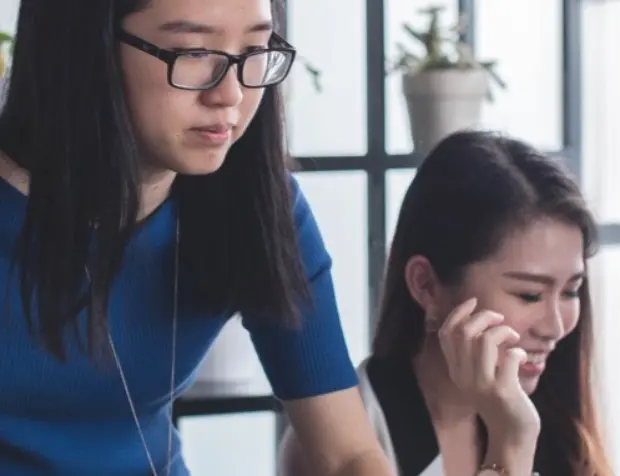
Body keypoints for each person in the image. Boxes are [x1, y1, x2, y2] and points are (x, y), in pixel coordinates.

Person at [0, 0, 394, 475]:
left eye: (254, 48)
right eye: (192, 52)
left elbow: (348, 455)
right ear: (86, 47)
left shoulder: (256, 204)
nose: (229, 94)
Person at [279, 131, 613, 476]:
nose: (555, 327)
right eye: (529, 295)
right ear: (426, 285)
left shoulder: (560, 430)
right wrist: (511, 441)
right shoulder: (342, 440)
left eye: (571, 291)